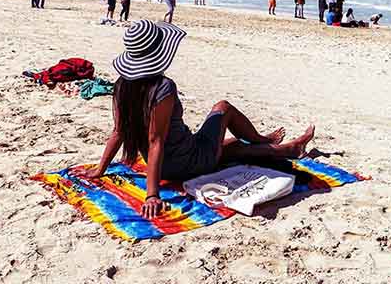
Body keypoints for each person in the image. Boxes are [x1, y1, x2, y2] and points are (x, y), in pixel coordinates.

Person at [76, 19, 316, 218]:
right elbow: (155, 140)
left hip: (163, 164)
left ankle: (286, 149)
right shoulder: (162, 87)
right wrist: (152, 194)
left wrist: (100, 169)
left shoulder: (122, 86)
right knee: (223, 108)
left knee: (232, 147)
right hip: (185, 163)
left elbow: (118, 132)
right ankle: (264, 140)